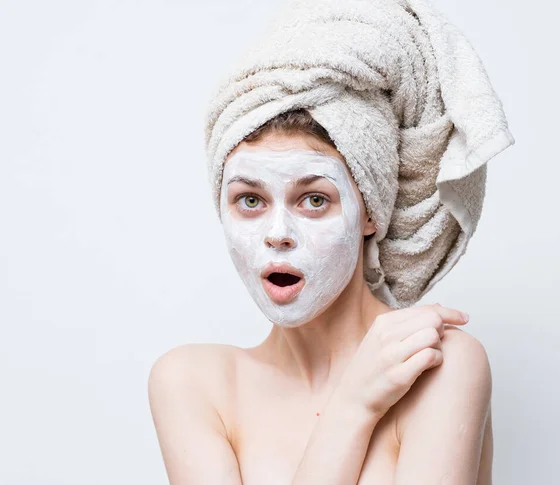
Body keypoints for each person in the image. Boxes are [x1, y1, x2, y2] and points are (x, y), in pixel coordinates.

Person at [148, 109, 494, 485]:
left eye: (314, 200)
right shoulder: (193, 383)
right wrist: (353, 406)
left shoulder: (435, 363)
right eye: (250, 200)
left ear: (369, 213)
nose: (277, 234)